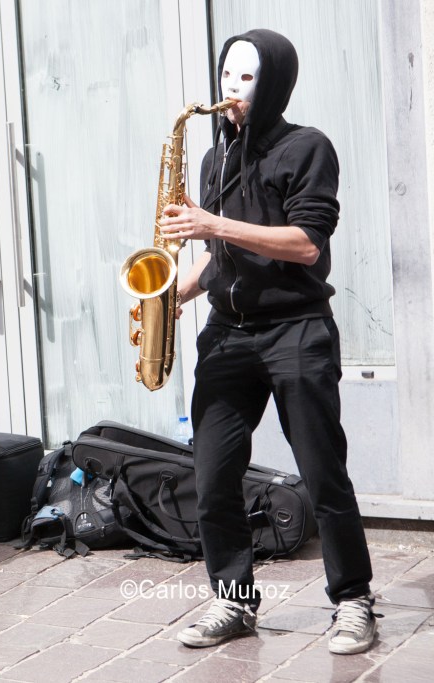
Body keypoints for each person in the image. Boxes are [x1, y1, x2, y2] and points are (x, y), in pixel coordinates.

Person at [160, 29, 377, 655]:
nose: (232, 89)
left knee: (322, 473)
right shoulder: (215, 157)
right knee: (213, 475)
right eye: (227, 76)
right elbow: (219, 254)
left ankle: (353, 600)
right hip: (227, 335)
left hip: (296, 329)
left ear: (274, 82)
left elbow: (305, 243)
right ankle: (233, 600)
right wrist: (172, 294)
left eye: (247, 78)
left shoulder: (308, 148)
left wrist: (212, 222)